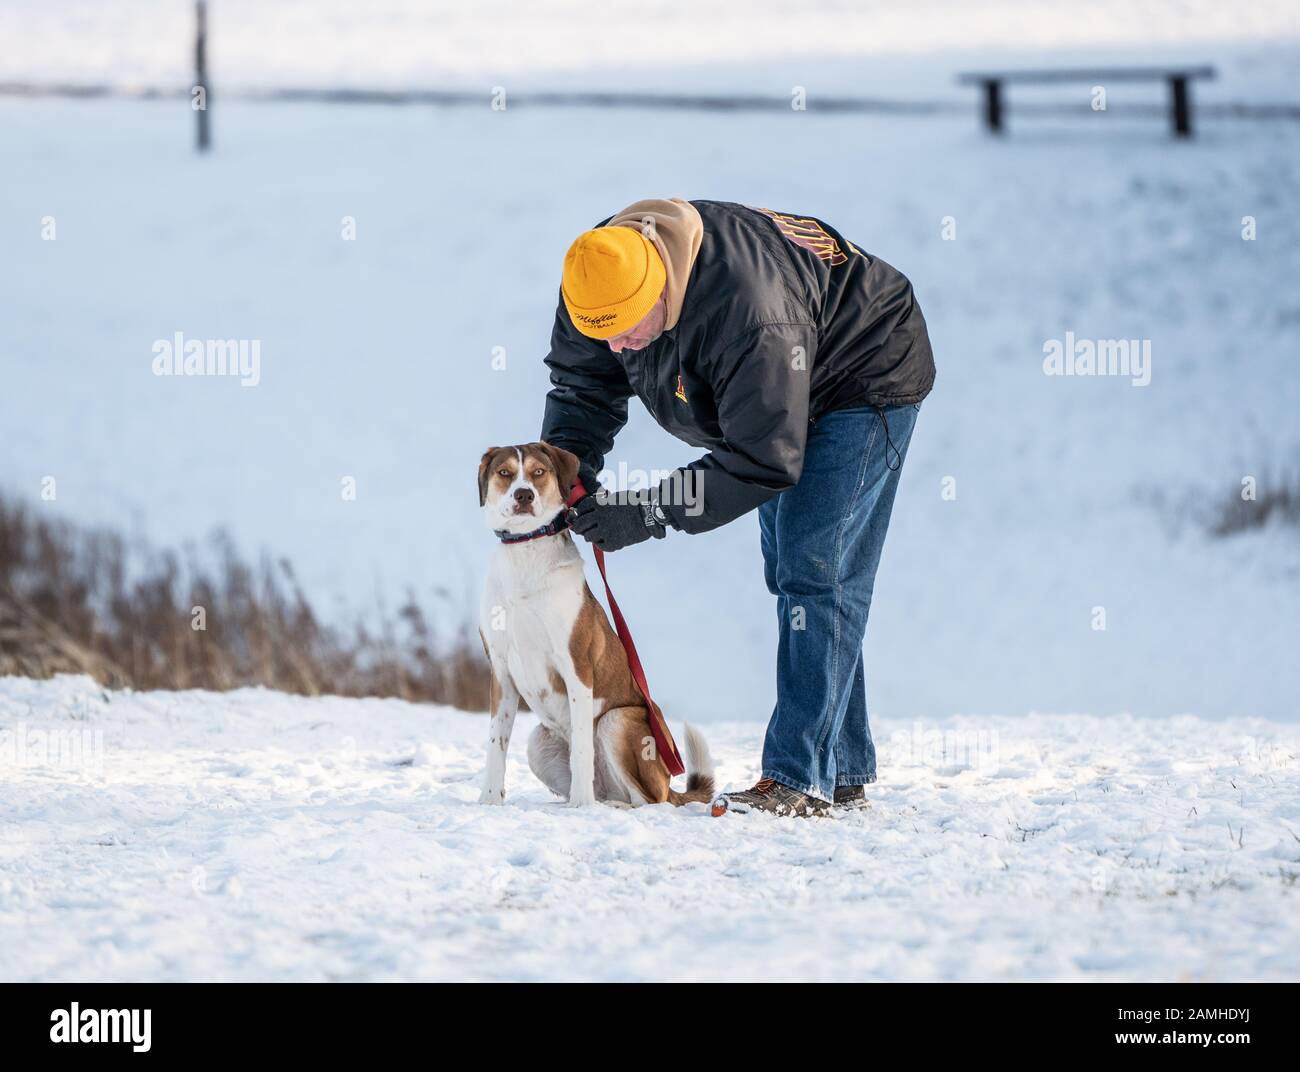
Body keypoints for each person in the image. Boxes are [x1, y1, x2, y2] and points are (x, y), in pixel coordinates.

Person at [540, 198, 934, 817]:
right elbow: (581, 386)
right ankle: (845, 767)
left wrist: (645, 511)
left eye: (629, 329)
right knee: (797, 575)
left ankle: (798, 778)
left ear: (663, 287)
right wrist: (569, 474)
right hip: (773, 387)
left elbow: (763, 462)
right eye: (601, 332)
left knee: (816, 572)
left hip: (861, 371)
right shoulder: (599, 273)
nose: (616, 346)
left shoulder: (750, 311)